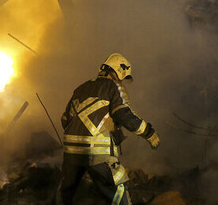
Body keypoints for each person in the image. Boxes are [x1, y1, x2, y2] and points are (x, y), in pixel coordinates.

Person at [60, 53, 160, 205]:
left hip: (71, 152)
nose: (122, 81)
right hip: (98, 153)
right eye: (122, 77)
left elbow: (65, 119)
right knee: (118, 190)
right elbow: (123, 114)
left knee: (65, 193)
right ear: (119, 71)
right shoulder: (113, 87)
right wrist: (148, 132)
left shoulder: (81, 88)